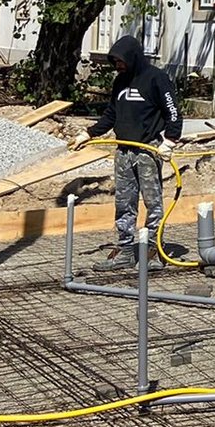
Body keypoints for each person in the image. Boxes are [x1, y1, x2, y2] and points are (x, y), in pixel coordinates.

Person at [74, 35, 182, 271]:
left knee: (153, 202)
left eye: (121, 61)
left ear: (133, 57)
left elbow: (173, 112)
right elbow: (111, 114)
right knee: (124, 203)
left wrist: (170, 141)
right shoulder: (120, 82)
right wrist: (89, 133)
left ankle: (153, 249)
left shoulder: (156, 78)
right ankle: (125, 250)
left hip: (148, 151)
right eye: (115, 62)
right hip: (124, 152)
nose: (118, 66)